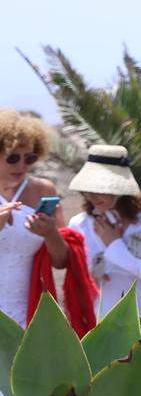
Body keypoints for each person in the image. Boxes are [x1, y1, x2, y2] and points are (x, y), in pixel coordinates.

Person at [0, 110, 90, 348]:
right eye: (12, 158)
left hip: (28, 309)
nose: (22, 165)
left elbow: (61, 262)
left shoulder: (43, 190)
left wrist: (49, 233)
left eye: (29, 158)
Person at [66, 144, 141, 338]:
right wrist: (93, 273)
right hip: (100, 329)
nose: (92, 195)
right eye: (88, 189)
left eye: (100, 188)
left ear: (119, 189)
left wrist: (113, 244)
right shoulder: (80, 224)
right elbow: (79, 280)